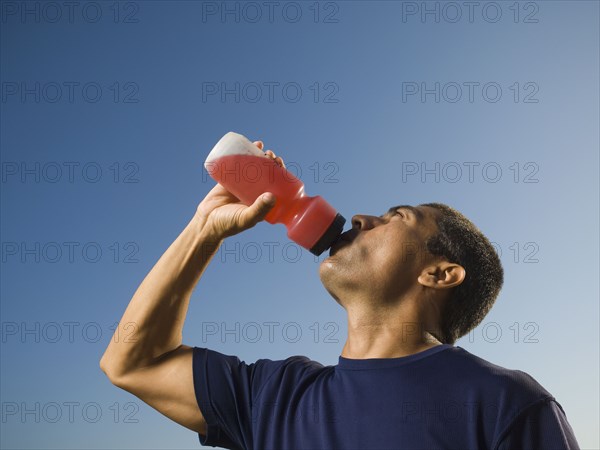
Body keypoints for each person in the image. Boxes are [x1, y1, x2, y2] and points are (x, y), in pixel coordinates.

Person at [100, 140, 580, 450]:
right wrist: (203, 230)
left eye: (397, 217)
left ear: (439, 273)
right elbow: (131, 362)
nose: (360, 219)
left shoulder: (505, 404)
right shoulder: (275, 397)